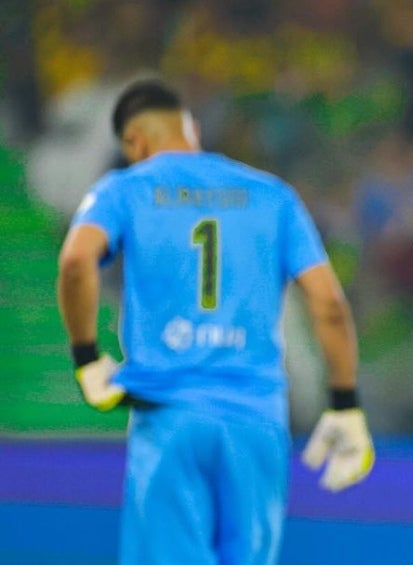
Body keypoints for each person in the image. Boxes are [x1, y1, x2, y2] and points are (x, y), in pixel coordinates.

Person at [56, 79, 374, 565]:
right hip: (257, 420)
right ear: (192, 130)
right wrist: (345, 403)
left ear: (134, 142)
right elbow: (328, 302)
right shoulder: (273, 195)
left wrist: (86, 356)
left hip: (169, 413)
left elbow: (77, 262)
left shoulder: (124, 189)